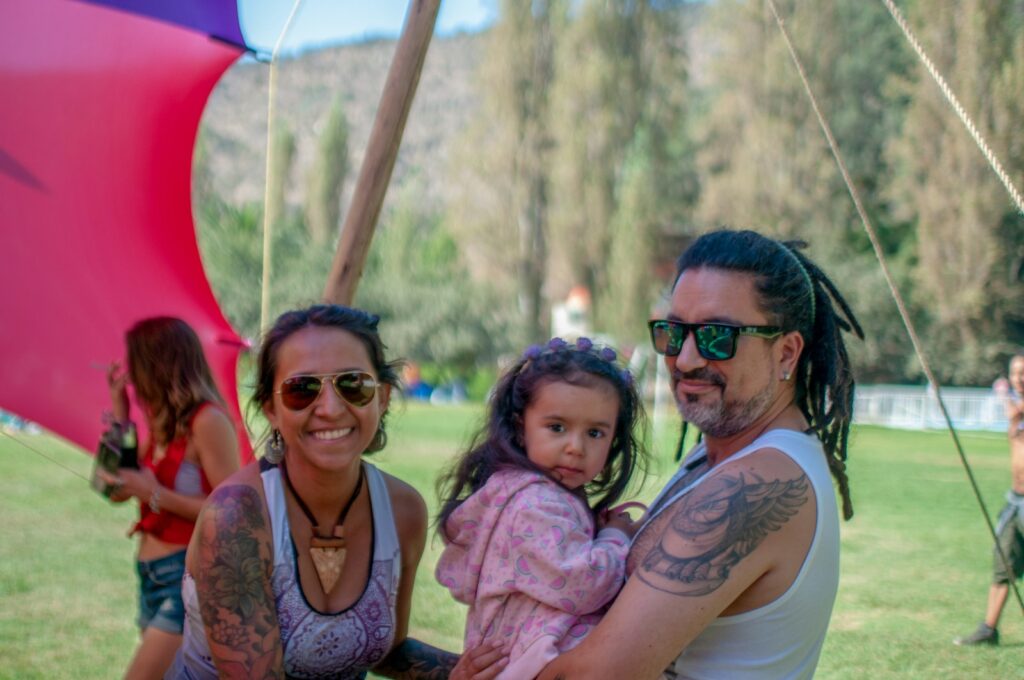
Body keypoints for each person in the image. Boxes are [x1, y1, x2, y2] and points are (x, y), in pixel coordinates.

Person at [528, 228, 864, 679]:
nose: (684, 359)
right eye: (674, 331)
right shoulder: (719, 455)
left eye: (716, 335)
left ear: (786, 352)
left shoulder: (757, 484)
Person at [169, 304, 486, 679]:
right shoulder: (237, 516)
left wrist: (482, 672)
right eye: (302, 390)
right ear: (271, 408)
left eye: (354, 384)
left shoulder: (402, 511)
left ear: (382, 397)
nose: (331, 408)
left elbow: (387, 652)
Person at [436, 336, 647, 680]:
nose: (575, 447)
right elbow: (582, 584)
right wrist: (614, 538)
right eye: (557, 427)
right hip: (529, 663)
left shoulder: (532, 493)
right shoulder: (535, 505)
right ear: (521, 428)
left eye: (595, 433)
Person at [100, 316, 241, 679]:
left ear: (158, 366)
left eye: (137, 363)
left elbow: (233, 512)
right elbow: (113, 490)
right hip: (150, 574)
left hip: (187, 577)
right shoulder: (162, 425)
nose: (131, 373)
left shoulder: (208, 422)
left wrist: (155, 493)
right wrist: (120, 413)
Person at [954, 352, 1024, 646]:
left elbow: (1012, 414)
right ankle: (989, 629)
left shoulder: (1016, 408)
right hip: (1015, 500)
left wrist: (1003, 395)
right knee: (1003, 563)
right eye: (1015, 373)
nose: (1019, 378)